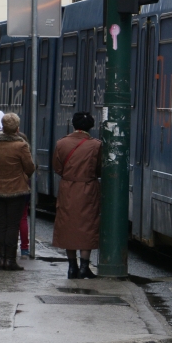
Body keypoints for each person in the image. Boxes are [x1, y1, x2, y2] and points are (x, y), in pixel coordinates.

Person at [53, 112, 102, 279]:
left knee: (68, 226)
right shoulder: (96, 145)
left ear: (73, 124)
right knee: (87, 226)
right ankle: (84, 267)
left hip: (67, 188)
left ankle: (72, 267)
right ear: (91, 127)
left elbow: (57, 167)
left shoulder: (61, 143)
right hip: (88, 188)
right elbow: (100, 168)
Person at [0, 113, 35, 271]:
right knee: (13, 226)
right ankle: (10, 260)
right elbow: (30, 167)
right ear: (17, 128)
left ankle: (0, 258)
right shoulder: (21, 146)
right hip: (17, 190)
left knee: (1, 224)